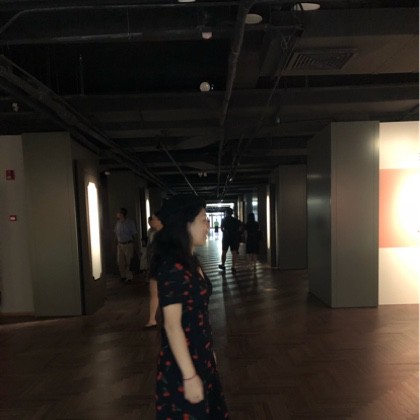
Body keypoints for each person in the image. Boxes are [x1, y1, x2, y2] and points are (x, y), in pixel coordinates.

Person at [151, 194, 229, 419]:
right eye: (203, 220)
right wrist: (189, 376)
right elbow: (172, 325)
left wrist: (209, 352)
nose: (208, 226)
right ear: (185, 225)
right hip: (182, 364)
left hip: (200, 355)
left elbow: (199, 315)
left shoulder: (190, 261)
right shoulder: (173, 267)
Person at [144, 211, 163, 329]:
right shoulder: (151, 232)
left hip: (161, 265)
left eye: (153, 219)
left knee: (158, 291)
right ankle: (152, 319)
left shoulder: (164, 234)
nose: (151, 221)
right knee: (154, 292)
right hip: (155, 264)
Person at [114, 207, 137, 283]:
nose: (117, 214)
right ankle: (123, 276)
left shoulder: (130, 222)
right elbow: (116, 234)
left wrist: (135, 245)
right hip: (120, 244)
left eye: (118, 213)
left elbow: (134, 234)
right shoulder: (118, 223)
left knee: (129, 261)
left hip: (128, 244)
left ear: (122, 214)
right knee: (120, 261)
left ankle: (129, 277)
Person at [218, 207, 241, 274]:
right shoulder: (236, 220)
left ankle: (223, 265)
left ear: (226, 213)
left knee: (224, 251)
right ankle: (233, 267)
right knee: (234, 253)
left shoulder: (224, 220)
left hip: (226, 238)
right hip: (234, 238)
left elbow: (222, 229)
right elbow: (239, 229)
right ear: (232, 213)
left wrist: (225, 231)